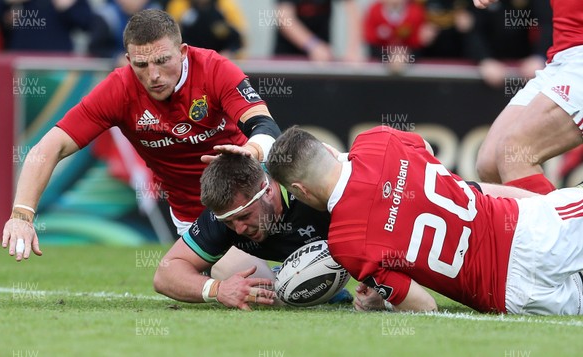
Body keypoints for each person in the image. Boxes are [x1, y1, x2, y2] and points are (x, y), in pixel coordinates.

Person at [2, 8, 281, 287]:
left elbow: (265, 127)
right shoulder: (119, 90)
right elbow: (48, 148)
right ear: (128, 60)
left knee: (317, 259)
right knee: (266, 290)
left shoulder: (214, 69)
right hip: (203, 221)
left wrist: (253, 151)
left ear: (182, 51)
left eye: (162, 61)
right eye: (141, 65)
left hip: (258, 200)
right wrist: (21, 215)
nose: (154, 75)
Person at [266, 125, 583, 315]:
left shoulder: (346, 244)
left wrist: (382, 297)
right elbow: (426, 149)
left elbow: (425, 306)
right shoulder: (376, 140)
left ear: (299, 190)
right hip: (525, 232)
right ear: (326, 148)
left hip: (510, 295)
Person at [153, 153, 344, 310]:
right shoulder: (223, 217)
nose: (239, 229)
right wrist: (218, 289)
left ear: (267, 191)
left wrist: (372, 280)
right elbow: (165, 275)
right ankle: (293, 278)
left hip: (345, 246)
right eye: (228, 221)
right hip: (288, 261)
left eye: (244, 216)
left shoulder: (310, 187)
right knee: (264, 298)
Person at [474, 0, 583, 194]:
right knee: (489, 163)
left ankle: (563, 223)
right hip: (560, 58)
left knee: (514, 153)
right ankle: (557, 220)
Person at [463, 0, 552, 88]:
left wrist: (539, 57)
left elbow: (549, 25)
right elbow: (473, 30)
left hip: (528, 61)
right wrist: (484, 59)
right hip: (491, 61)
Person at [274, 0, 363, 62]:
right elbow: (284, 19)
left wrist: (352, 50)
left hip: (323, 60)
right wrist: (313, 45)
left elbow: (352, 9)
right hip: (288, 57)